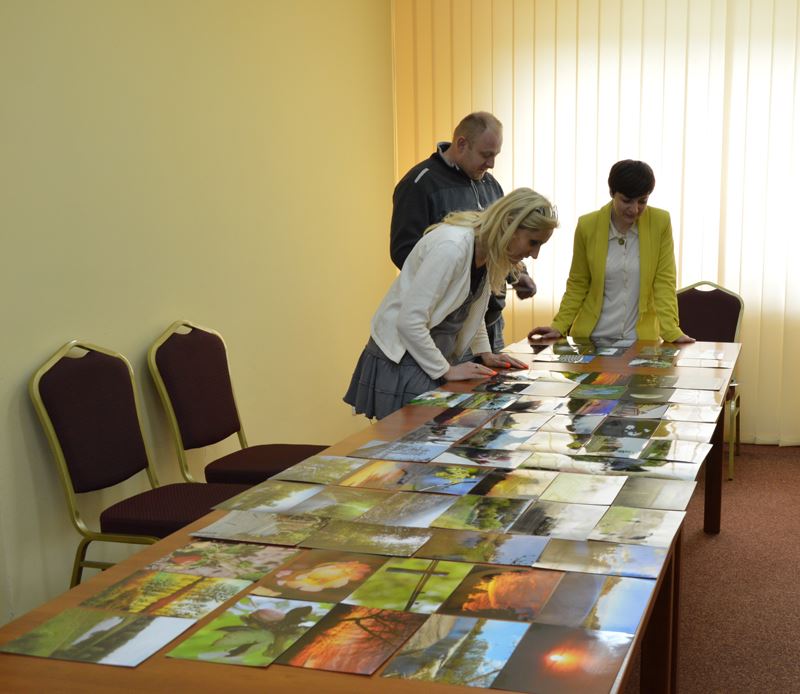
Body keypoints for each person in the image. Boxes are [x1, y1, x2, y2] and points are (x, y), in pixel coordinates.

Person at [345, 188, 559, 420]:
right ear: (509, 225)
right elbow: (409, 322)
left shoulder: (486, 249)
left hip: (429, 354)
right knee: (417, 435)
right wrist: (446, 370)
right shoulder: (451, 248)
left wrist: (485, 353)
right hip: (403, 356)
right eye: (533, 242)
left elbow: (469, 308)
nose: (534, 254)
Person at [390, 111, 536, 352]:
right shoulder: (420, 183)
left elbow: (503, 239)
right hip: (445, 326)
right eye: (486, 155)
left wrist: (517, 275)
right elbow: (405, 252)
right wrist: (457, 282)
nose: (491, 164)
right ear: (461, 144)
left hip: (488, 321)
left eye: (495, 155)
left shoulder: (490, 184)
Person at [528, 160, 694, 344]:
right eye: (626, 200)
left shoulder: (660, 223)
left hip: (640, 341)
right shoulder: (587, 226)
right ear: (612, 193)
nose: (634, 209)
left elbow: (664, 282)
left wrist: (672, 331)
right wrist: (559, 325)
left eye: (642, 201)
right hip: (592, 339)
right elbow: (578, 283)